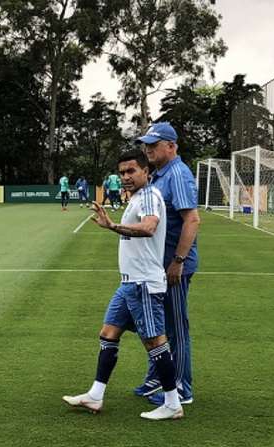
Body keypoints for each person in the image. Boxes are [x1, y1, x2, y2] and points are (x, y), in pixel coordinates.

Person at [63, 150, 183, 421]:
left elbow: (149, 227)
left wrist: (113, 226)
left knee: (155, 341)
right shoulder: (138, 197)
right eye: (122, 172)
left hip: (143, 283)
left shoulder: (150, 196)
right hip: (129, 283)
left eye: (132, 171)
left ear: (145, 172)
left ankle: (173, 403)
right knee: (108, 333)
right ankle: (95, 395)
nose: (126, 177)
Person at [133, 122, 200, 407]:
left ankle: (182, 388)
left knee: (175, 327)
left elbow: (192, 219)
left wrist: (178, 261)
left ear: (171, 146)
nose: (148, 148)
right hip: (158, 265)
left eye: (154, 144)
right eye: (146, 144)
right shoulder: (162, 174)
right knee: (156, 324)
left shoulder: (178, 174)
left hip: (173, 266)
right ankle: (159, 376)